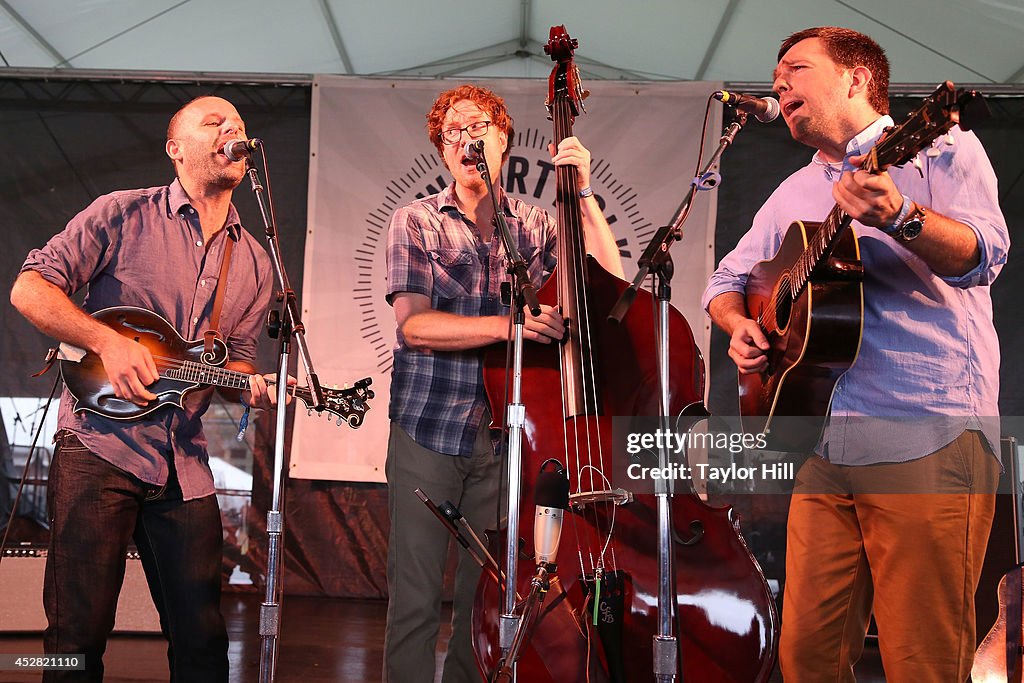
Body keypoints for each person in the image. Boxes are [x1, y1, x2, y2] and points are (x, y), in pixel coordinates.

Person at [702, 27, 1009, 682]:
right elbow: (725, 284)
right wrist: (741, 327)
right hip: (825, 449)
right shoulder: (793, 192)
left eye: (796, 69)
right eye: (775, 74)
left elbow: (985, 255)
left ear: (856, 79)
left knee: (922, 661)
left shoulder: (941, 148)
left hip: (927, 432)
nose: (779, 83)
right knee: (805, 658)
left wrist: (900, 213)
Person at [9, 95, 281, 682]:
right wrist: (105, 341)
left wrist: (249, 386)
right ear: (175, 148)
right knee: (75, 637)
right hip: (97, 446)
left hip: (184, 463)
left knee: (203, 640)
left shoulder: (257, 262)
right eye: (215, 123)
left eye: (238, 124)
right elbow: (30, 289)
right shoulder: (121, 214)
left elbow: (233, 365)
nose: (232, 130)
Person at [383, 84, 623, 682]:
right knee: (413, 600)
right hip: (427, 430)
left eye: (481, 126)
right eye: (454, 130)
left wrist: (584, 194)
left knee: (482, 604)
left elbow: (608, 285)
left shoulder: (537, 226)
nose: (468, 138)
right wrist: (509, 325)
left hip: (506, 440)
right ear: (442, 148)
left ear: (504, 139)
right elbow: (414, 327)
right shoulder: (415, 221)